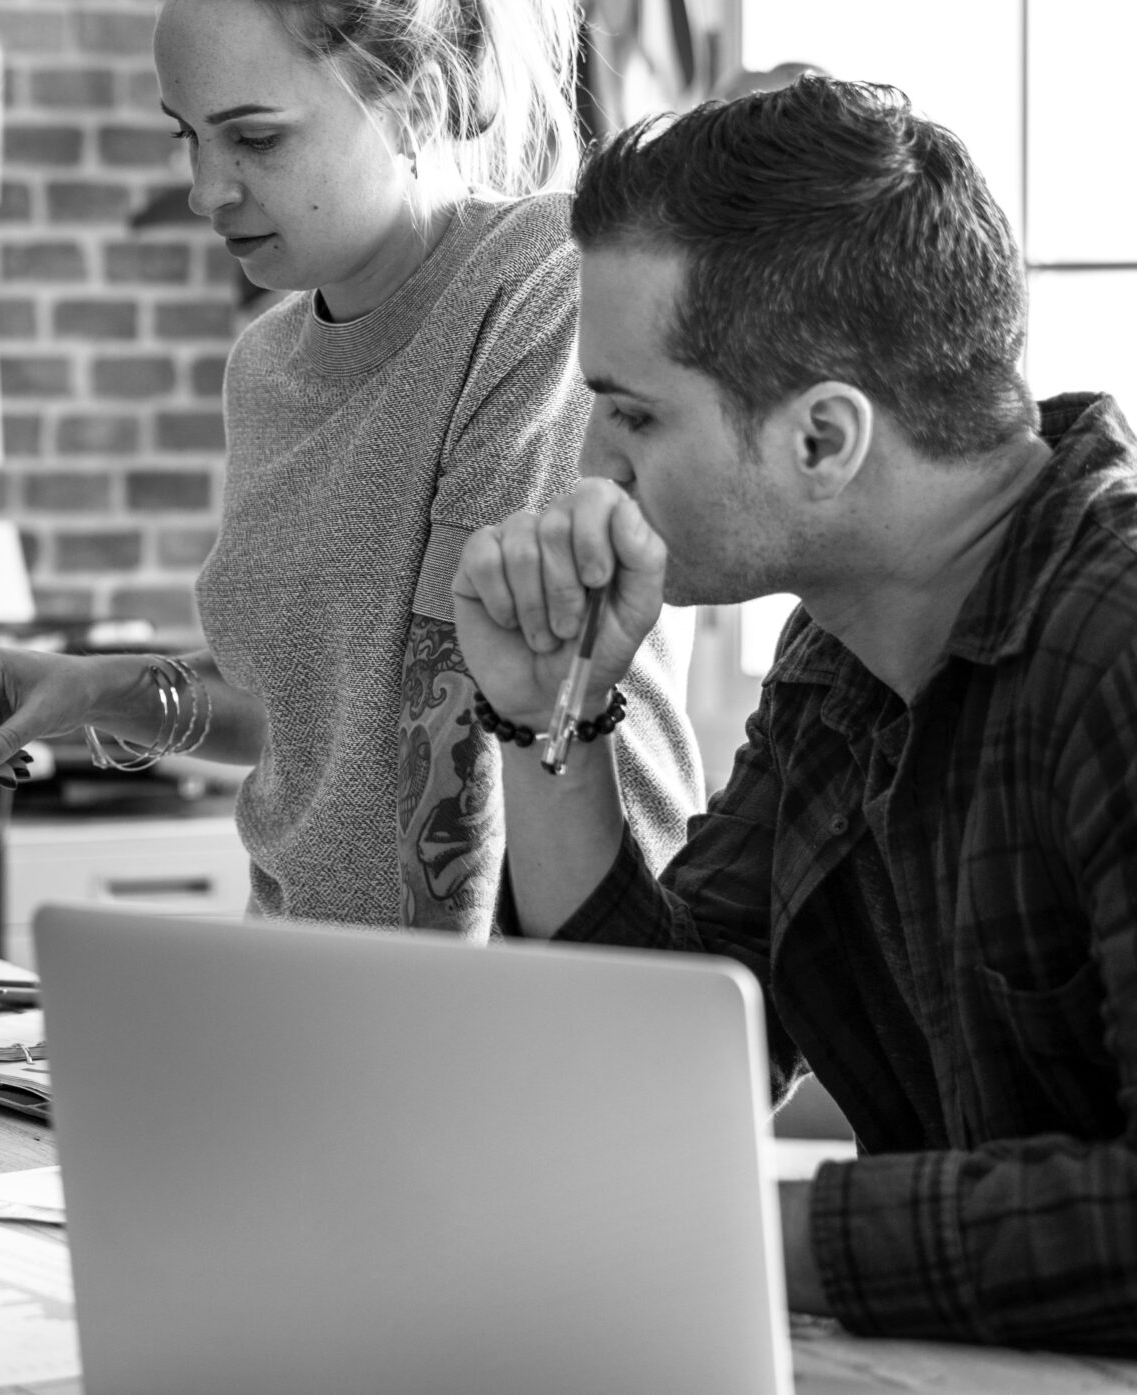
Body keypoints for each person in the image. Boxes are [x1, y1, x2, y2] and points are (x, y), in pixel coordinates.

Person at [454, 76, 1137, 1349]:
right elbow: (655, 1078)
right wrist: (552, 716)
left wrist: (731, 1235)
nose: (593, 463)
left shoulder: (1112, 650)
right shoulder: (837, 650)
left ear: (824, 439)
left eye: (634, 411)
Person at [0, 0, 700, 935]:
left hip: (533, 1002)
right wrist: (93, 692)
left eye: (254, 138)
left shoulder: (540, 277)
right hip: (330, 995)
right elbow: (314, 724)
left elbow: (465, 724)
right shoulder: (270, 365)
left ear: (415, 99)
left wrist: (389, 1045)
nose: (206, 190)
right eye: (185, 137)